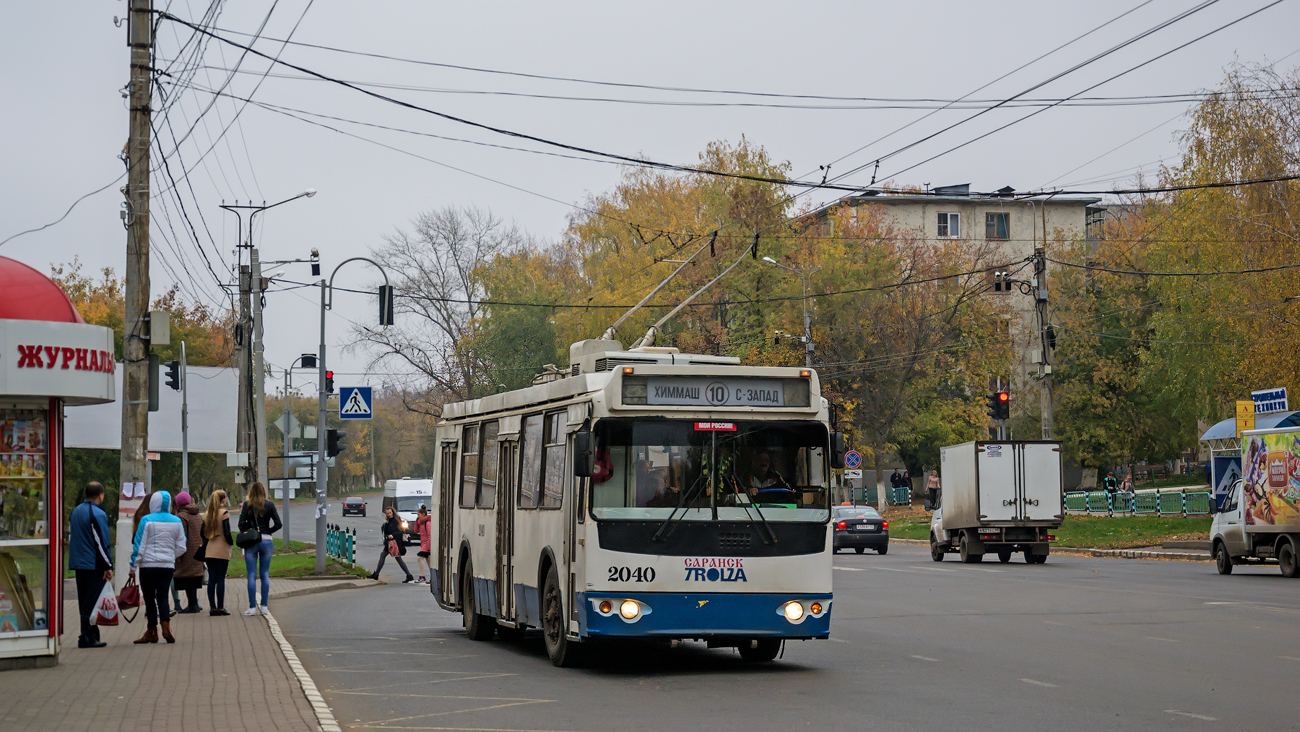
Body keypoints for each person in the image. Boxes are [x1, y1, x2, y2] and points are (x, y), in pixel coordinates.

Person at [129, 490, 187, 644]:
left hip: (148, 566)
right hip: (167, 566)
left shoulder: (146, 520)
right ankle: (166, 626)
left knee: (149, 598)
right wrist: (170, 556)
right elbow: (182, 547)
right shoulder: (177, 521)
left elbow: (139, 546)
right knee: (163, 596)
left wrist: (133, 567)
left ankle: (152, 631)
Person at [68, 481, 113, 648]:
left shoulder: (76, 511)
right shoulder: (98, 514)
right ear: (100, 495)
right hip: (93, 564)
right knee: (93, 602)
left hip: (79, 563)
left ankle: (92, 634)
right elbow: (100, 542)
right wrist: (108, 566)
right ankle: (87, 638)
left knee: (85, 601)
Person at [239, 482, 282, 616]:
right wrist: (268, 531)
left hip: (252, 542)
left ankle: (252, 607)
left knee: (251, 575)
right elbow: (278, 524)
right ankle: (264, 606)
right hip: (267, 541)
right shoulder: (269, 504)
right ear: (264, 492)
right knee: (264, 574)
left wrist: (251, 530)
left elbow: (240, 525)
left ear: (251, 492)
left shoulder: (247, 505)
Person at [201, 490, 234, 616]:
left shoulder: (207, 514)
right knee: (221, 579)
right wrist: (231, 542)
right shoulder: (224, 513)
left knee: (212, 579)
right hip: (222, 548)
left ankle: (212, 608)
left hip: (210, 549)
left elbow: (201, 533)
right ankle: (221, 607)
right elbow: (227, 532)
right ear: (223, 500)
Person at [172, 491, 205, 614]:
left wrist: (179, 554)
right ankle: (195, 603)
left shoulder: (182, 517)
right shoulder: (197, 514)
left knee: (187, 578)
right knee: (194, 578)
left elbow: (182, 536)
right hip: (197, 550)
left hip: (187, 551)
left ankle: (192, 605)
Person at [371, 507, 415, 583]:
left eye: (390, 513)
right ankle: (409, 575)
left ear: (393, 512)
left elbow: (401, 531)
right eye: (387, 513)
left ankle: (376, 574)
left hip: (395, 543)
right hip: (391, 542)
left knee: (388, 556)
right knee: (394, 558)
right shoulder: (388, 521)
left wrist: (393, 535)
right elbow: (386, 531)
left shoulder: (396, 520)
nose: (389, 514)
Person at [414, 505, 433, 584]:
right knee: (429, 561)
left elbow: (430, 535)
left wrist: (428, 547)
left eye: (418, 515)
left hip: (427, 544)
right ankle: (433, 577)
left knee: (420, 558)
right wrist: (417, 521)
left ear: (423, 514)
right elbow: (416, 531)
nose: (417, 516)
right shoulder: (421, 523)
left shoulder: (427, 523)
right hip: (424, 544)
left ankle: (422, 576)